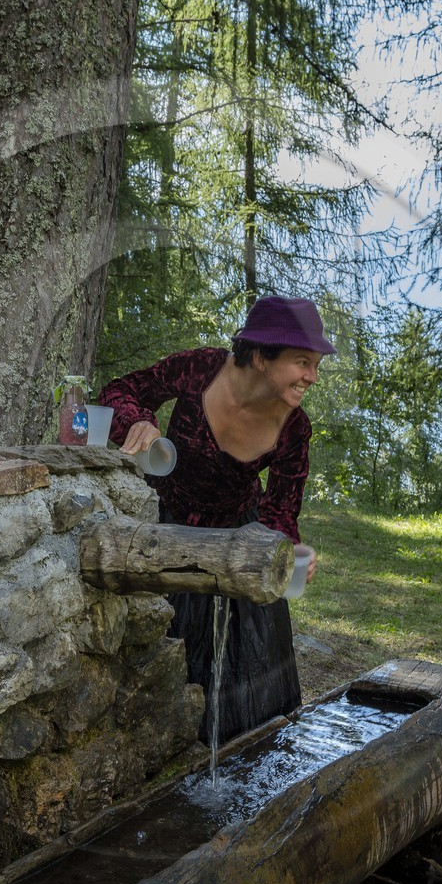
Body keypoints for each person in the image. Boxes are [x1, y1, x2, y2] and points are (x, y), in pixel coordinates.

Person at [96, 296, 332, 745]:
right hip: (164, 527)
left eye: (316, 365)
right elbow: (117, 392)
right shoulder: (199, 369)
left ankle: (246, 766)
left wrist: (291, 551)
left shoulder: (295, 428)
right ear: (261, 356)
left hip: (238, 542)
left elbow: (281, 514)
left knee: (254, 701)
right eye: (303, 362)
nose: (312, 377)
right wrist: (139, 422)